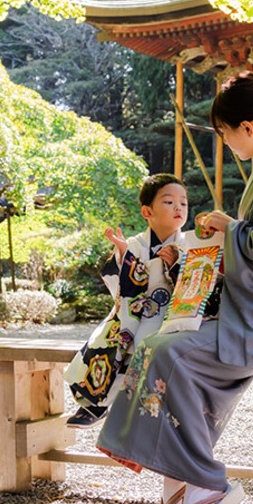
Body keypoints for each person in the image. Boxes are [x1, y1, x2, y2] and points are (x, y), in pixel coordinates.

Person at [96, 71, 253, 504]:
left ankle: (207, 483)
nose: (226, 143)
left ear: (248, 127)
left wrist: (230, 228)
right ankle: (176, 487)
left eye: (225, 133)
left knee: (169, 353)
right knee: (158, 349)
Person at [63, 174, 187, 429]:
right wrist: (123, 256)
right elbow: (120, 286)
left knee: (144, 345)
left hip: (171, 317)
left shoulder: (189, 245)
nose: (178, 208)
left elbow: (195, 284)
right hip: (133, 314)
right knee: (106, 342)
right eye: (168, 202)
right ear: (146, 211)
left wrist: (176, 263)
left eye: (183, 203)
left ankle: (126, 408)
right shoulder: (135, 244)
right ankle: (94, 403)